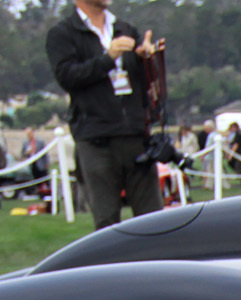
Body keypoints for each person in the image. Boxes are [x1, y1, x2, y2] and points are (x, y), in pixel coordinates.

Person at [45, 0, 162, 229]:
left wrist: (146, 59)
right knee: (107, 223)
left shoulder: (126, 29)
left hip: (136, 135)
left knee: (153, 221)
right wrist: (108, 58)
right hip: (96, 140)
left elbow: (148, 82)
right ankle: (111, 266)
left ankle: (154, 265)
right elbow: (68, 77)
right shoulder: (63, 34)